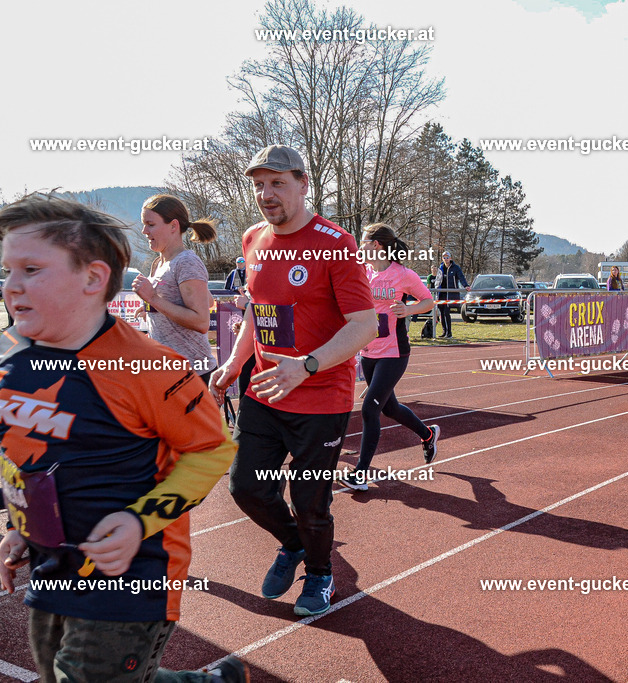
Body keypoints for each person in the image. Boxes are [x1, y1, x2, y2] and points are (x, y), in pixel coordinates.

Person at [0, 193, 246, 683]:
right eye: (7, 271)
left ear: (93, 278)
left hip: (135, 572)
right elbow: (24, 451)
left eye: (31, 269)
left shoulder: (147, 366)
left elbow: (214, 447)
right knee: (68, 675)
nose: (11, 286)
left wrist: (139, 521)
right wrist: (22, 523)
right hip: (54, 561)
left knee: (87, 678)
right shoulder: (12, 356)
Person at [209, 145, 375, 617]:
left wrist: (305, 365)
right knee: (245, 488)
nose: (267, 194)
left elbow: (364, 325)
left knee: (310, 502)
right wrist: (235, 362)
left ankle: (321, 576)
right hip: (264, 391)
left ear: (304, 184)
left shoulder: (336, 242)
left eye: (278, 183)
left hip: (320, 397)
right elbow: (258, 315)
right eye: (259, 185)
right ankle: (294, 545)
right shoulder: (252, 239)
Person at [339, 224, 440, 492]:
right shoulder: (364, 272)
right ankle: (428, 434)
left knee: (369, 409)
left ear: (377, 245)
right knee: (389, 408)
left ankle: (360, 474)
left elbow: (429, 301)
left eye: (363, 242)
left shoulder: (403, 274)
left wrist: (408, 309)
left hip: (394, 353)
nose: (360, 247)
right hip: (368, 351)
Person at [133, 195, 219, 386]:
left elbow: (201, 321)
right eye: (144, 224)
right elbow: (209, 301)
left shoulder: (187, 262)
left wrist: (154, 299)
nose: (144, 231)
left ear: (173, 226)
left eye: (150, 224)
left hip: (192, 374)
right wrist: (152, 310)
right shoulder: (159, 262)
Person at [436, 251, 468, 338]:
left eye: (447, 257)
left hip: (450, 294)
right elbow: (438, 280)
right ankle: (444, 331)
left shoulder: (455, 268)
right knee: (441, 313)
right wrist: (436, 289)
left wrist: (466, 285)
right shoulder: (441, 268)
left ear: (450, 258)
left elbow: (461, 277)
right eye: (444, 258)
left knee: (446, 312)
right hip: (441, 294)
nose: (446, 259)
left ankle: (449, 333)